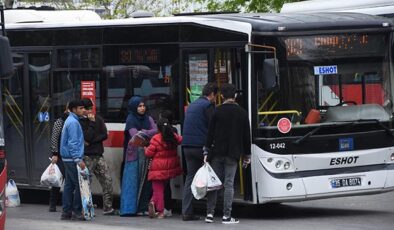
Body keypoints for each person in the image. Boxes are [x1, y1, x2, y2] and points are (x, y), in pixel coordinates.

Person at [203, 83, 251, 224]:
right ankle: (226, 216)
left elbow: (210, 134)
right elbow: (246, 137)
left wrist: (206, 150)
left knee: (214, 183)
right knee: (229, 184)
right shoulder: (242, 112)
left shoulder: (216, 111)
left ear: (222, 96)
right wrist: (247, 155)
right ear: (235, 95)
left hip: (217, 152)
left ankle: (210, 214)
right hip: (233, 153)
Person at [181, 82, 218, 221]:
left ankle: (186, 212)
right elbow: (213, 125)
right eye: (216, 95)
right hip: (200, 147)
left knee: (190, 178)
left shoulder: (192, 105)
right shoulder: (208, 106)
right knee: (212, 176)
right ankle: (210, 211)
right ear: (212, 94)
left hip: (187, 147)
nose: (216, 99)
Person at [120, 96, 157, 216]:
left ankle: (142, 207)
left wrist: (143, 132)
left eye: (143, 106)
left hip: (146, 154)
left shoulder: (148, 118)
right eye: (139, 106)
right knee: (132, 181)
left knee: (145, 182)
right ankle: (129, 209)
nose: (142, 108)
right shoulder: (130, 119)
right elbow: (135, 136)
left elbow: (155, 130)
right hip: (133, 156)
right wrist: (146, 132)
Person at [79, 98, 117, 215]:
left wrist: (92, 141)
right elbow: (87, 137)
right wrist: (91, 123)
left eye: (91, 108)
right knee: (86, 183)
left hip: (98, 155)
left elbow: (104, 135)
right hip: (87, 156)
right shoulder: (81, 122)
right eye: (87, 109)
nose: (90, 111)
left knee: (107, 180)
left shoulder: (99, 119)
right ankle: (86, 207)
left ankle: (108, 207)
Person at [145, 118, 183, 219]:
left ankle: (160, 211)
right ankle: (152, 203)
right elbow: (180, 140)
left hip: (157, 168)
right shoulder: (173, 137)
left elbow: (149, 153)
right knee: (161, 188)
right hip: (169, 168)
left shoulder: (156, 138)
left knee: (158, 190)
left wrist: (145, 148)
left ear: (158, 128)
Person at [59, 99, 86, 220]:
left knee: (69, 185)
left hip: (67, 158)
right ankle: (77, 211)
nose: (83, 110)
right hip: (72, 158)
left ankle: (66, 212)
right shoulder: (74, 122)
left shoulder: (70, 120)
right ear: (74, 109)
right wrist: (78, 159)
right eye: (81, 108)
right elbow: (73, 143)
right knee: (80, 185)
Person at [48, 105, 68, 212]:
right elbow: (54, 138)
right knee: (57, 180)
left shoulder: (75, 120)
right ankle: (52, 204)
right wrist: (55, 154)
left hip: (69, 155)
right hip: (60, 156)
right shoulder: (60, 121)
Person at [158, 110, 177, 217]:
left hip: (160, 164)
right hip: (171, 162)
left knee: (160, 186)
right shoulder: (174, 131)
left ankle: (162, 208)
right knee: (167, 185)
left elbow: (150, 151)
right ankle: (168, 208)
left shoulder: (158, 135)